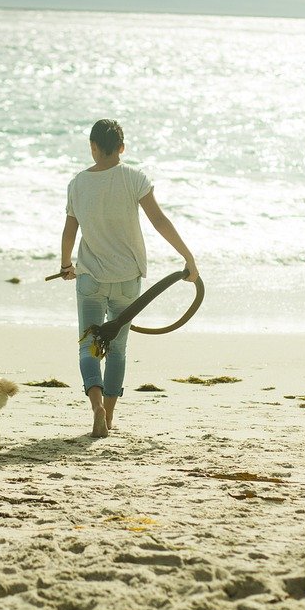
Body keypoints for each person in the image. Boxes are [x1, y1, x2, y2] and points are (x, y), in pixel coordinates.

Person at [59, 119, 199, 437]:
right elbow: (159, 220)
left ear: (93, 148)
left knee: (89, 347)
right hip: (127, 278)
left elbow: (70, 230)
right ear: (121, 148)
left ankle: (94, 406)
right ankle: (108, 417)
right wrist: (187, 257)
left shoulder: (77, 183)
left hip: (90, 277)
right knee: (118, 349)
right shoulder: (134, 178)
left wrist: (67, 264)